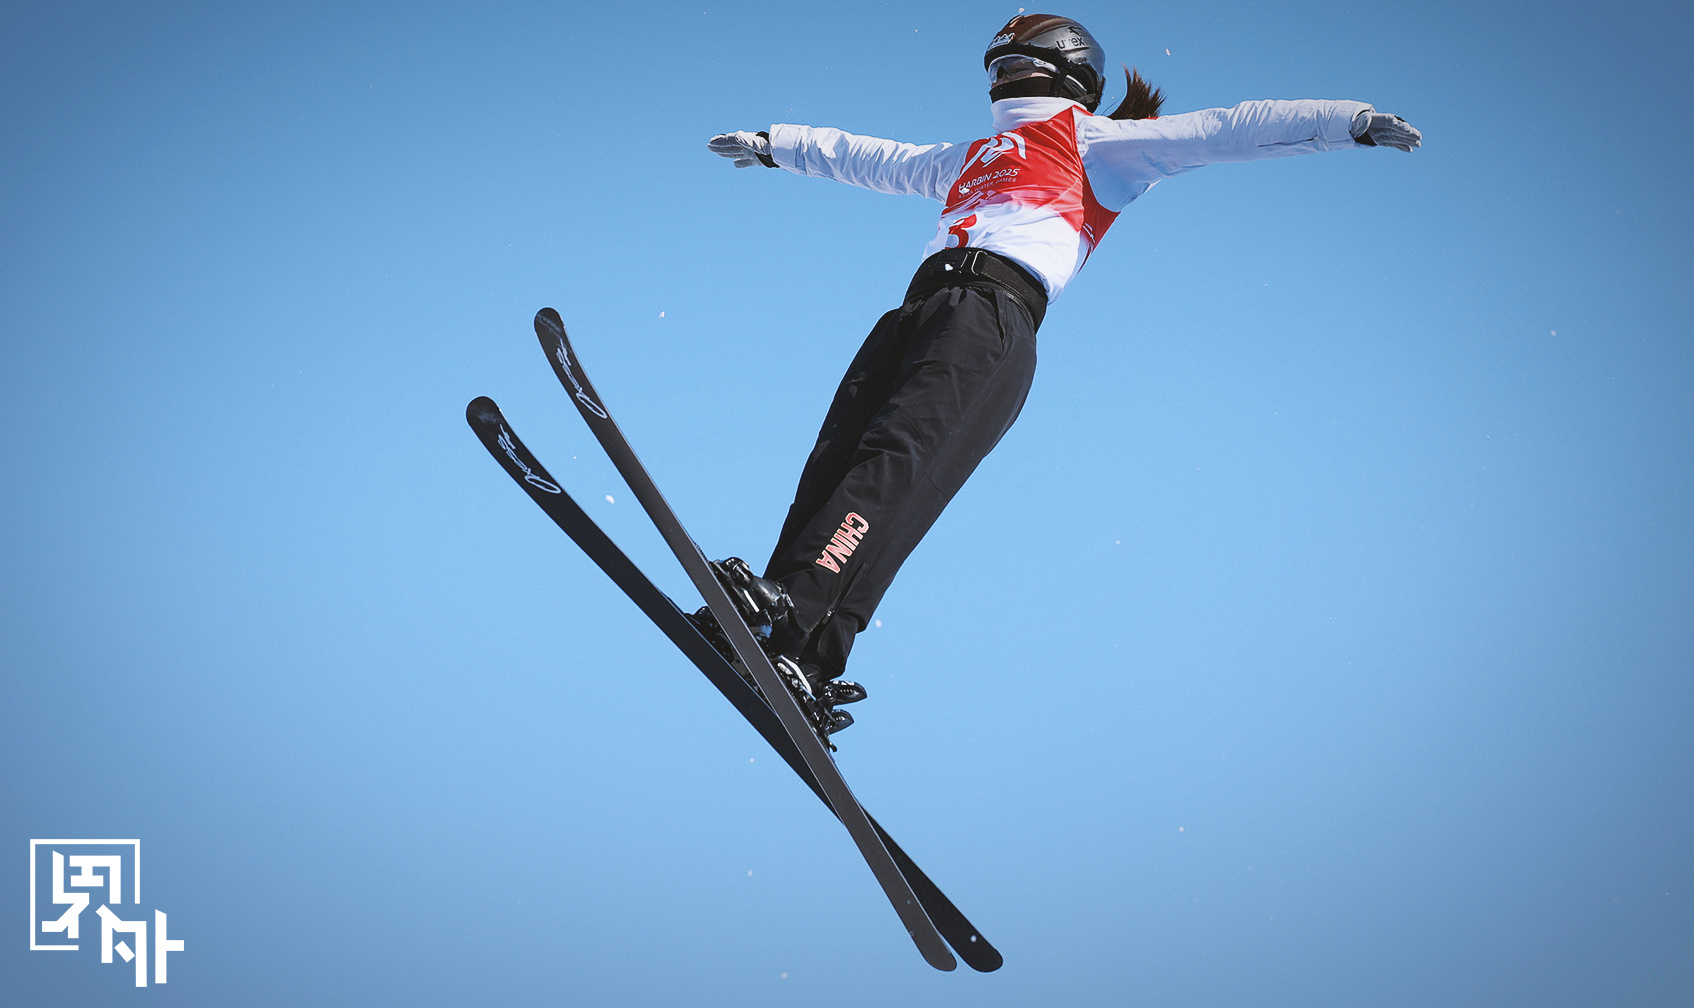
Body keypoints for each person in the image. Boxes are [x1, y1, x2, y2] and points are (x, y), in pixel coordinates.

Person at [699, 13, 1420, 735]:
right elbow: (872, 157)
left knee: (897, 462)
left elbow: (1231, 128)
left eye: (1018, 65)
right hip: (918, 309)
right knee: (834, 461)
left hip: (993, 316)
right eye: (998, 69)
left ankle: (799, 604)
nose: (1006, 80)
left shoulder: (1100, 145)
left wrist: (1347, 122)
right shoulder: (969, 154)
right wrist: (776, 146)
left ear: (1068, 75)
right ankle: (788, 640)